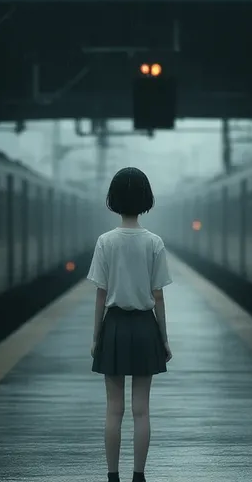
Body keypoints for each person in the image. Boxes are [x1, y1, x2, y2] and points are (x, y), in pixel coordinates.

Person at [87, 167, 173, 482]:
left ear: (113, 200)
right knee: (141, 410)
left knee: (113, 410)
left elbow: (100, 294)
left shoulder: (105, 242)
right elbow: (158, 296)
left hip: (114, 327)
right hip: (145, 327)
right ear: (146, 199)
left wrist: (96, 336)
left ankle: (112, 476)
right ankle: (139, 475)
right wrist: (164, 339)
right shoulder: (154, 243)